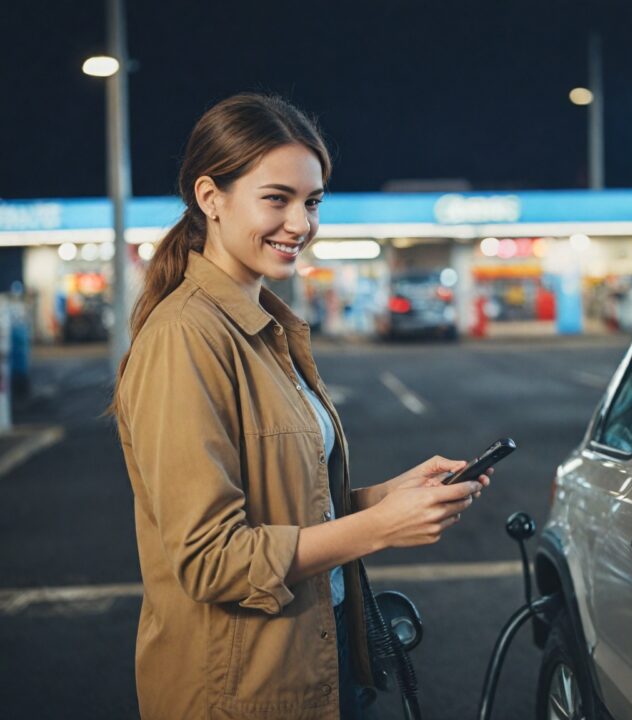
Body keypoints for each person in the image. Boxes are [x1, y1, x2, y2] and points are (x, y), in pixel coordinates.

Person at [111, 93, 488, 720]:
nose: (299, 224)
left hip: (318, 657)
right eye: (276, 198)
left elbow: (284, 508)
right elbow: (211, 560)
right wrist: (379, 529)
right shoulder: (186, 338)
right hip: (241, 693)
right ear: (211, 198)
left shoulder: (264, 327)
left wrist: (387, 498)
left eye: (312, 202)